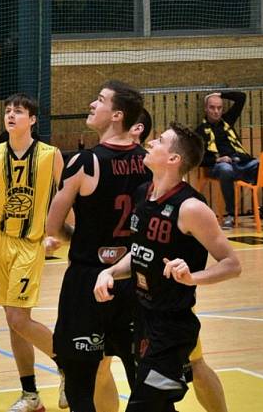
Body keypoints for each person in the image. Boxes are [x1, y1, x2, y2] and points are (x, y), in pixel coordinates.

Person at [94, 123, 241, 412]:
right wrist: (109, 272)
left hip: (173, 327)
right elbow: (138, 254)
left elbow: (232, 264)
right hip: (143, 318)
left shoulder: (191, 208)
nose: (150, 143)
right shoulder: (142, 194)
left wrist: (192, 278)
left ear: (174, 159)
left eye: (159, 141)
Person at [47, 81, 149, 412]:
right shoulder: (151, 163)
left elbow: (52, 226)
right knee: (147, 387)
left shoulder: (82, 163)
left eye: (100, 100)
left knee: (80, 389)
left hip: (89, 281)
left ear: (117, 115)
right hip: (137, 280)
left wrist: (82, 236)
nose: (92, 104)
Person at [0, 93, 63, 412]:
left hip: (30, 244)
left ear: (33, 120)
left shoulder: (51, 156)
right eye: (8, 111)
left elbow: (65, 202)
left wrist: (61, 235)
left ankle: (69, 364)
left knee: (18, 318)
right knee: (14, 322)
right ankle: (31, 395)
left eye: (19, 111)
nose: (11, 115)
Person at [196, 91, 263, 229]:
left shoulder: (228, 121)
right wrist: (217, 159)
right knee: (225, 169)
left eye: (219, 108)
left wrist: (220, 94)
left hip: (242, 163)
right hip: (218, 167)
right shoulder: (200, 131)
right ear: (205, 108)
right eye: (212, 107)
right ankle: (231, 215)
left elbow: (241, 98)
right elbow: (198, 159)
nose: (216, 111)